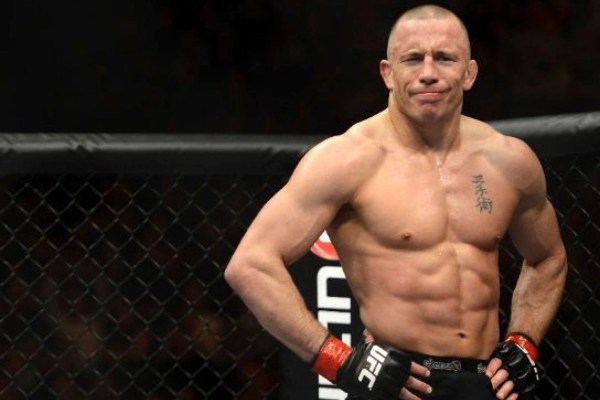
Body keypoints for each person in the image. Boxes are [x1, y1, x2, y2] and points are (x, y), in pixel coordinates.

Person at [224, 4, 567, 400]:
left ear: (469, 73)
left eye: (444, 58)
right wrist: (339, 362)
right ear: (388, 73)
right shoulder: (348, 159)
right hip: (397, 384)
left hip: (484, 384)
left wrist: (524, 341)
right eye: (412, 59)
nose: (428, 72)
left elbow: (547, 258)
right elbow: (250, 264)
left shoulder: (509, 160)